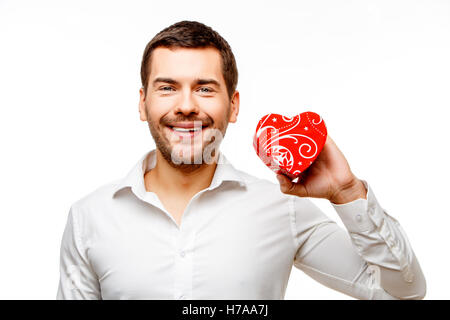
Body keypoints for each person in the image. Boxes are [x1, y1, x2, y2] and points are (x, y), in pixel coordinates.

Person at [56, 20, 426, 300]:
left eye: (205, 88)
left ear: (233, 106)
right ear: (142, 103)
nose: (186, 106)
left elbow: (401, 292)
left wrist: (347, 192)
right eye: (167, 88)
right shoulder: (90, 217)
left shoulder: (283, 209)